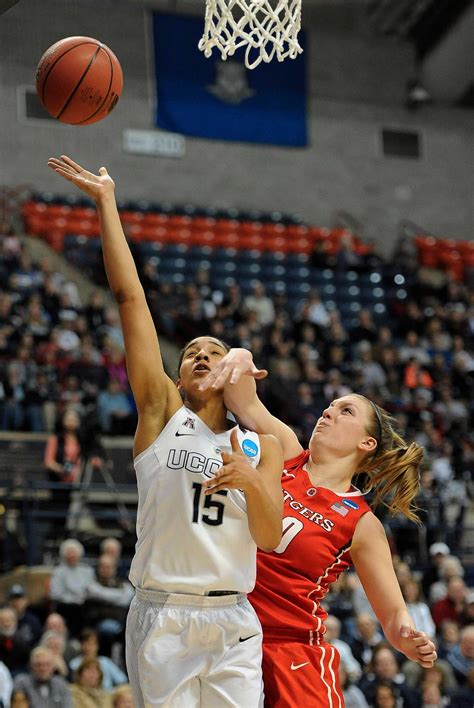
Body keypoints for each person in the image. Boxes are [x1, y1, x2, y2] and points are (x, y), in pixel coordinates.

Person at [48, 155, 283, 708]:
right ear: (176, 376)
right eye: (192, 354)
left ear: (233, 370)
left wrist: (250, 479)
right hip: (165, 611)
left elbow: (270, 538)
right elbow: (131, 300)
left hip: (234, 617)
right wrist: (107, 203)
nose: (202, 355)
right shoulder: (161, 414)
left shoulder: (262, 443)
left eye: (215, 352)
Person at [200, 347, 437, 707]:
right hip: (225, 626)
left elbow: (391, 613)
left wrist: (405, 635)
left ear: (366, 443)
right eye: (331, 406)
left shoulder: (361, 522)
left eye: (346, 411)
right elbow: (244, 402)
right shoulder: (286, 453)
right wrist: (242, 355)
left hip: (289, 647)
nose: (329, 412)